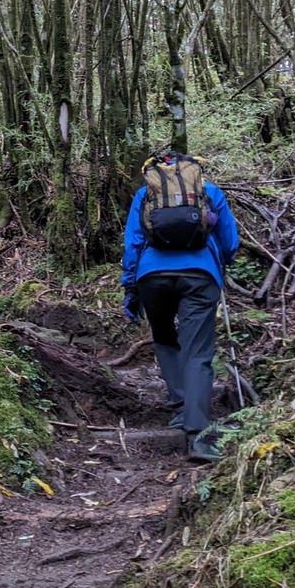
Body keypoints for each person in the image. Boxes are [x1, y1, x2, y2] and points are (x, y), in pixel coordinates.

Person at [120, 154, 239, 463]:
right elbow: (230, 241)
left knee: (164, 337)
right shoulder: (210, 192)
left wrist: (130, 284)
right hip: (200, 276)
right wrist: (222, 262)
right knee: (198, 352)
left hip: (152, 276)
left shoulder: (144, 195)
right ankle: (198, 436)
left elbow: (133, 241)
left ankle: (179, 408)